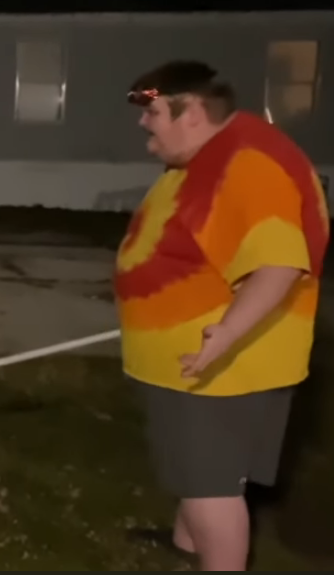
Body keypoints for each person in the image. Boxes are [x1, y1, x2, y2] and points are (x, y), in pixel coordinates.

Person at [113, 60, 329, 571]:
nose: (144, 124)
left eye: (153, 114)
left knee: (211, 488)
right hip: (201, 360)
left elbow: (279, 264)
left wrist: (226, 334)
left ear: (192, 112)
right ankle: (186, 545)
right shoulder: (215, 155)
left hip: (219, 367)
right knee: (201, 474)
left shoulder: (246, 165)